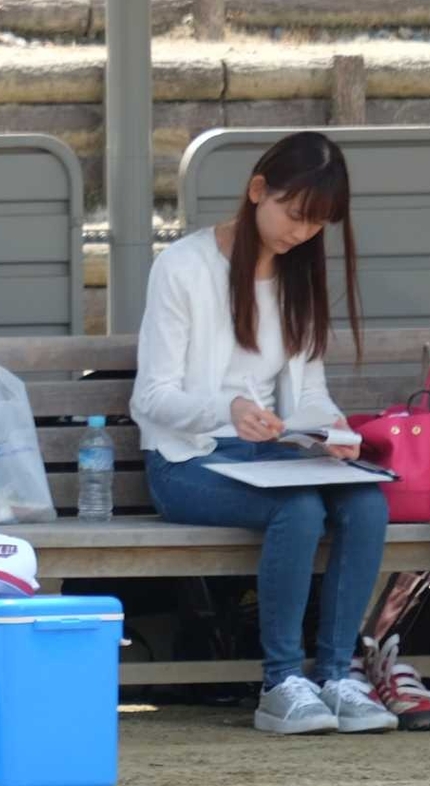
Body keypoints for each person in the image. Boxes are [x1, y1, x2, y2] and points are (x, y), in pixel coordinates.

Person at [131, 131, 396, 736]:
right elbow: (150, 397)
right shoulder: (182, 268)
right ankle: (281, 682)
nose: (301, 233)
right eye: (295, 215)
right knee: (299, 510)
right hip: (185, 461)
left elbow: (305, 395)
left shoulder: (297, 276)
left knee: (366, 502)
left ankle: (335, 675)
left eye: (316, 224)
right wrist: (225, 407)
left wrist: (330, 429)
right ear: (257, 192)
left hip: (268, 455)